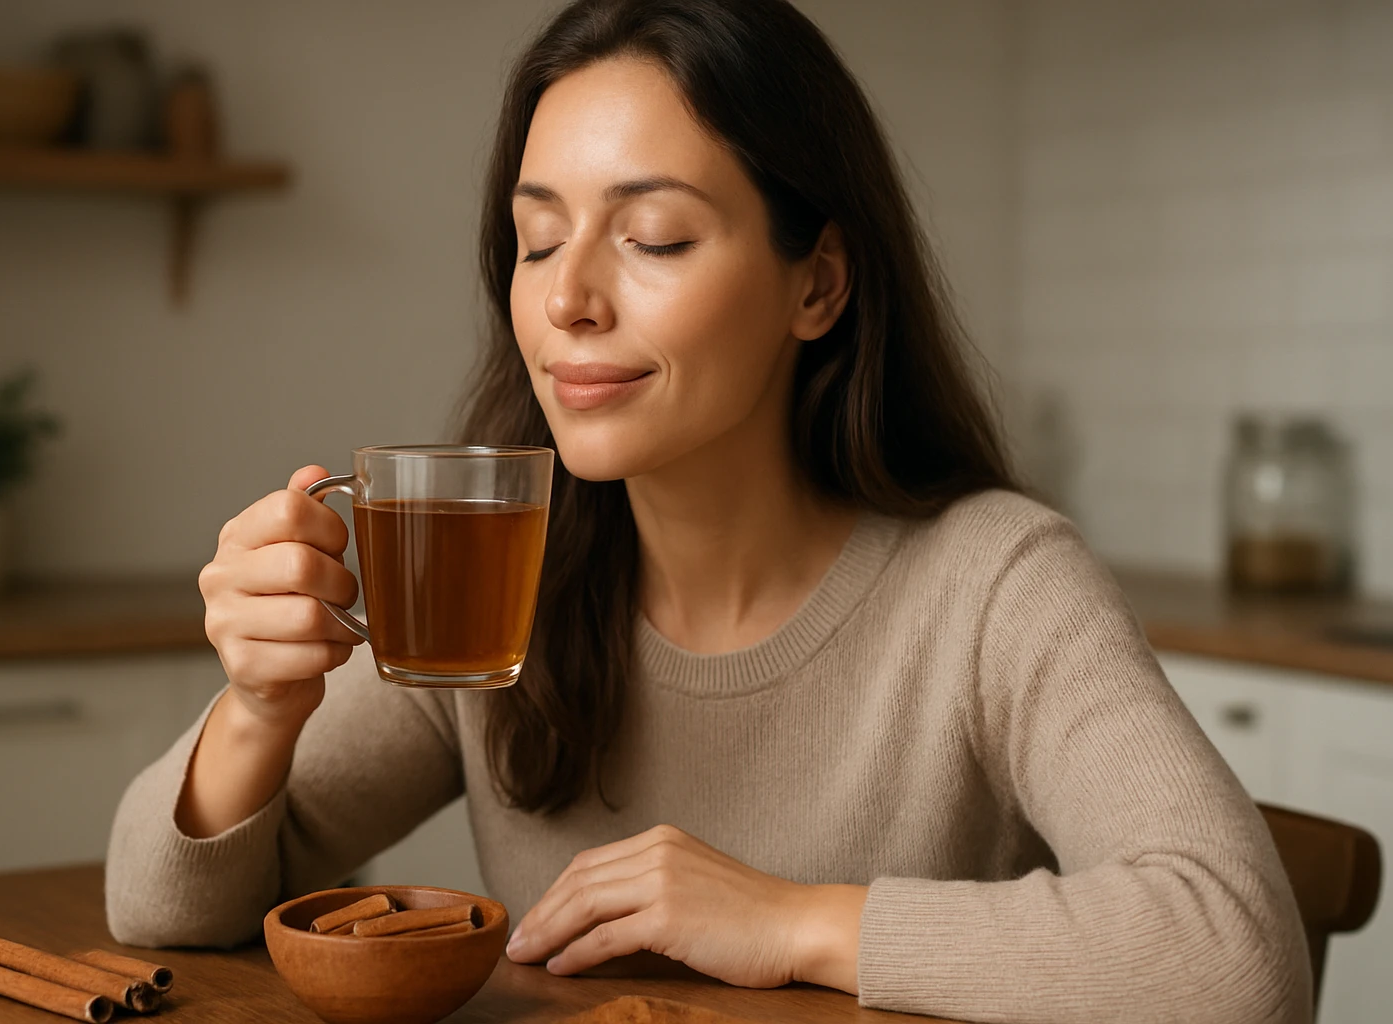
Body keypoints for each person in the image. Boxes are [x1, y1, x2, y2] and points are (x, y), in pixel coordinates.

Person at [105, 1, 1310, 1020]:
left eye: (654, 236)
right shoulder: (490, 574)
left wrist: (793, 920)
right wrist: (259, 710)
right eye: (535, 240)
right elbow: (164, 911)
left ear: (818, 283)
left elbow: (1241, 951)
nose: (568, 299)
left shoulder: (996, 585)